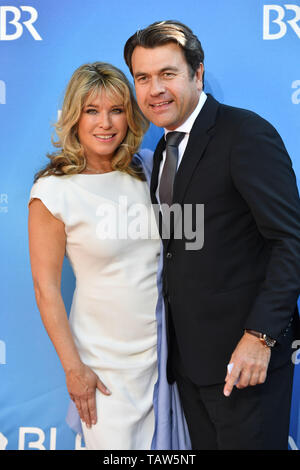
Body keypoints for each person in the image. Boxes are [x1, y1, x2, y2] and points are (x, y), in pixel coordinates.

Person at [124, 20, 300, 450]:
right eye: (143, 78)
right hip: (188, 367)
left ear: (197, 74)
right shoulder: (162, 152)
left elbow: (289, 241)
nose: (154, 90)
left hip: (247, 364)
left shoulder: (244, 134)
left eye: (168, 74)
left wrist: (260, 337)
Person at [28, 62, 163, 450]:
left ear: (130, 115)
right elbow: (46, 289)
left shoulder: (149, 171)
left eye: (116, 110)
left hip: (164, 360)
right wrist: (75, 370)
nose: (105, 123)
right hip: (103, 366)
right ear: (74, 117)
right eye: (92, 111)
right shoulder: (54, 190)